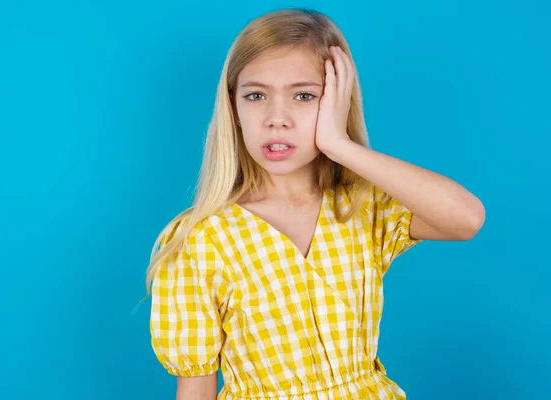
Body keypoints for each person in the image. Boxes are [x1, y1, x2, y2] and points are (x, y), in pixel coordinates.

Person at [145, 8, 485, 400]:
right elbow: (195, 387)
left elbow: (466, 218)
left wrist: (340, 145)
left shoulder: (363, 206)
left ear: (337, 103)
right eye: (256, 95)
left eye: (304, 96)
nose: (277, 119)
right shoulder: (198, 240)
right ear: (233, 108)